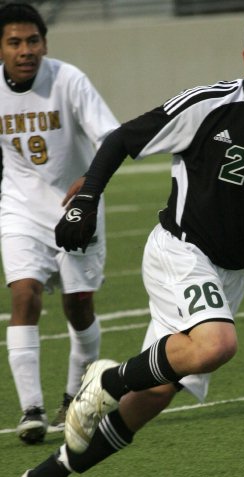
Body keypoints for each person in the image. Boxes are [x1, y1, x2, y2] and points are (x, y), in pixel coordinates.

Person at [13, 6, 244, 477]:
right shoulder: (209, 104)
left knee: (153, 396)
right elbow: (121, 139)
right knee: (218, 345)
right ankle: (106, 379)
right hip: (180, 252)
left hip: (231, 275)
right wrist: (86, 199)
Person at [0, 2, 119, 443]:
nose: (25, 49)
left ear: (44, 43)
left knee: (78, 306)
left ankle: (73, 395)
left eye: (33, 41)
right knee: (24, 295)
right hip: (20, 208)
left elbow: (109, 135)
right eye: (14, 42)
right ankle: (31, 409)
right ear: (1, 49)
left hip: (77, 205)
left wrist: (90, 183)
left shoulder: (68, 80)